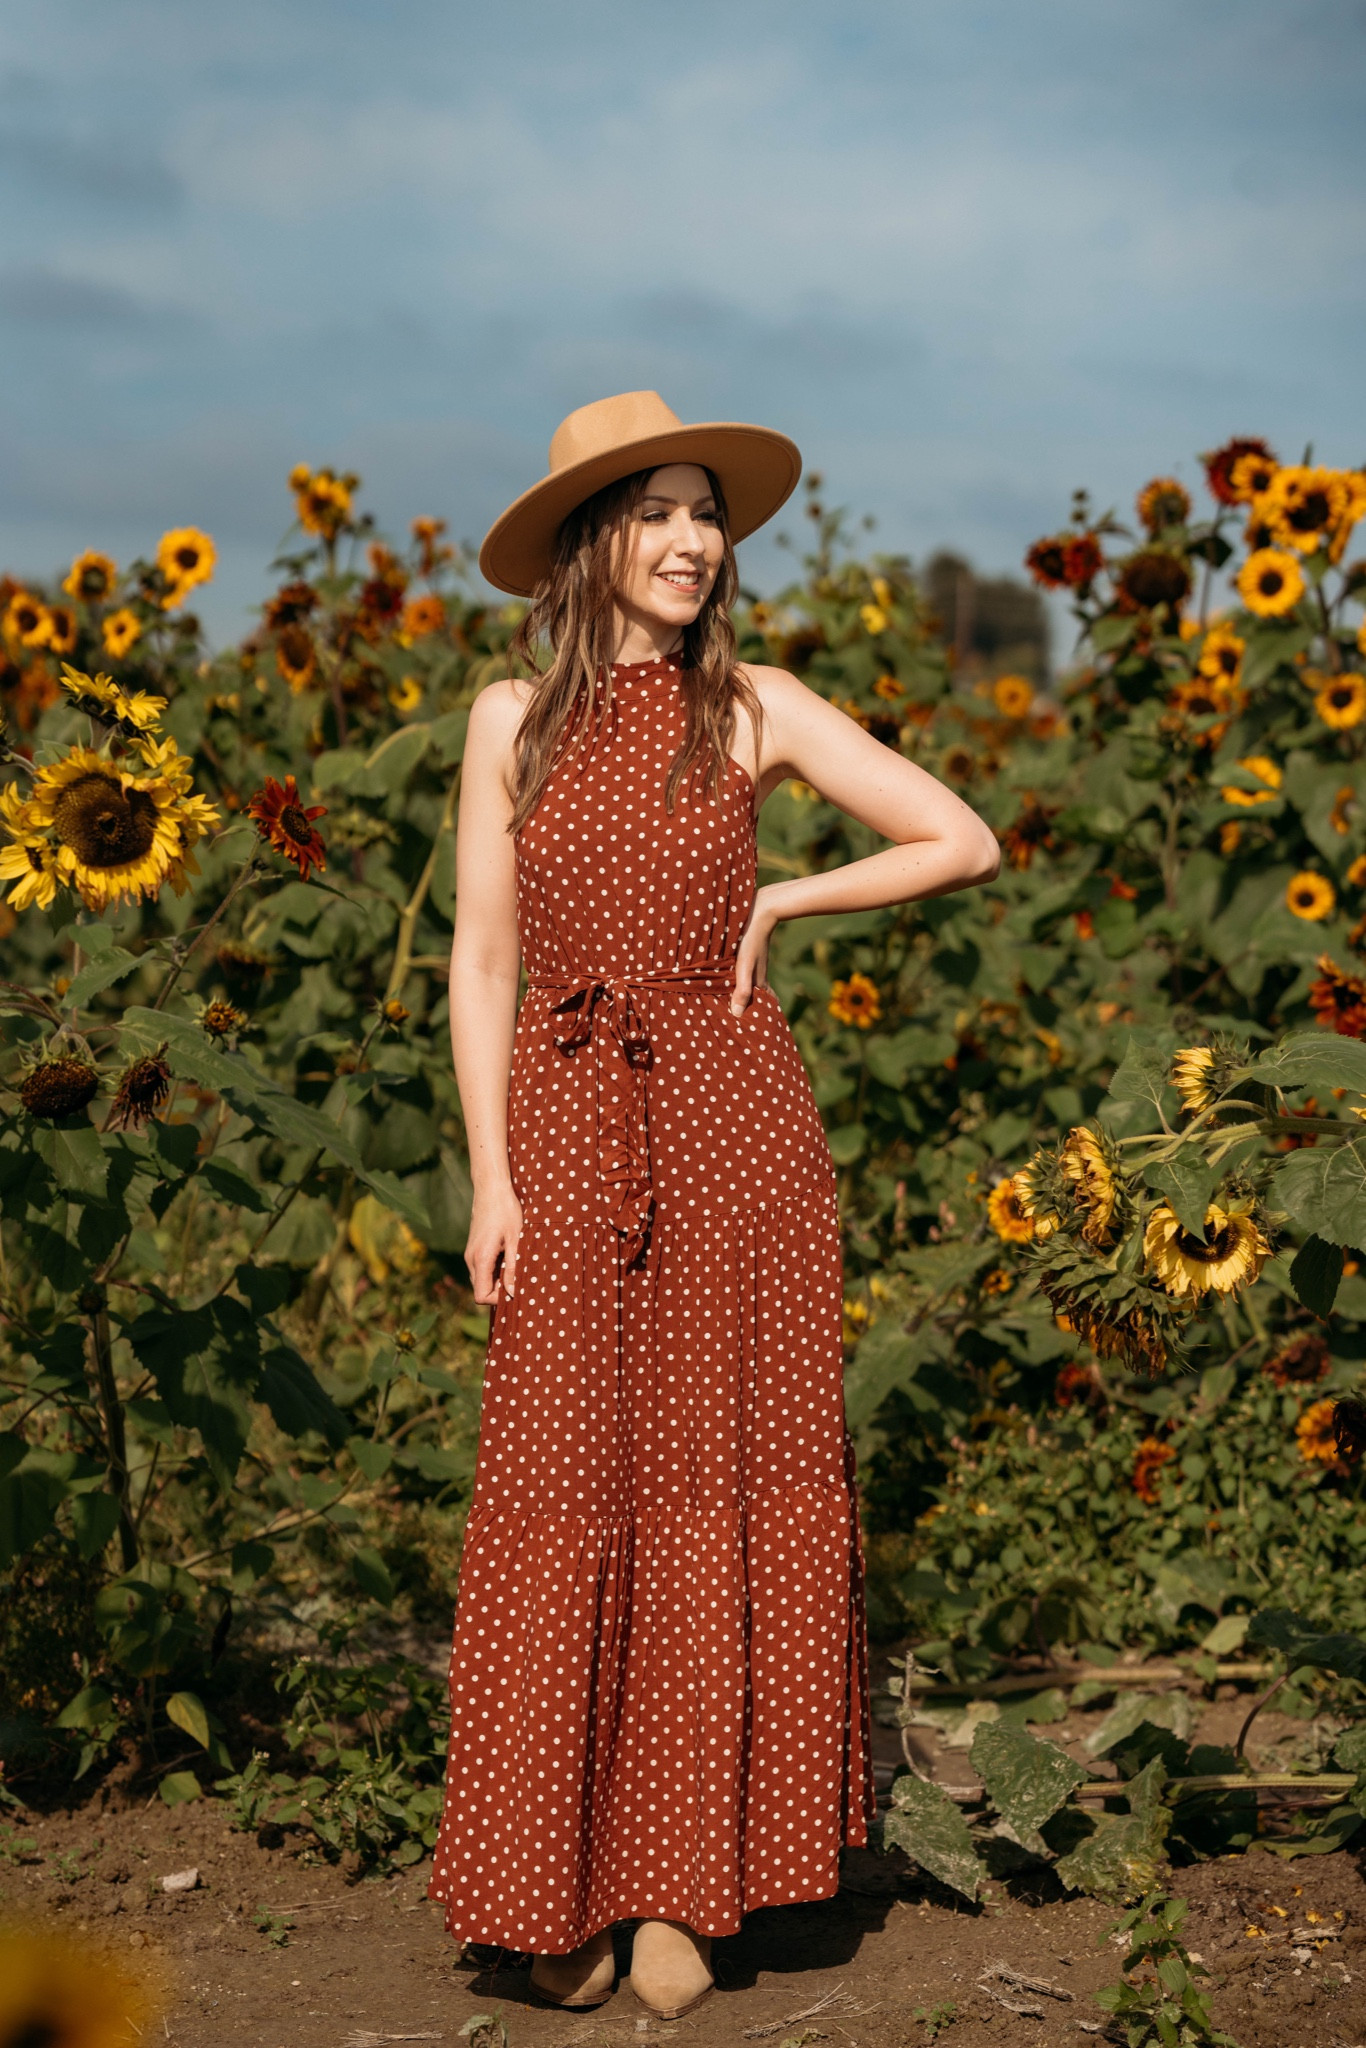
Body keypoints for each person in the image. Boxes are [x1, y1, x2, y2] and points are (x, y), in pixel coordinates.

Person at [428, 391, 999, 2016]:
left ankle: (684, 1884)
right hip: (562, 1125)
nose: (690, 542)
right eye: (655, 512)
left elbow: (957, 839)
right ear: (587, 542)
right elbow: (481, 960)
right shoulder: (506, 718)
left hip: (735, 1134)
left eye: (705, 514)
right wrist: (491, 1175)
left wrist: (785, 899)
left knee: (713, 1483)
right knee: (561, 1485)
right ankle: (551, 1884)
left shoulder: (756, 707)